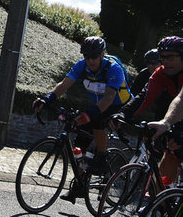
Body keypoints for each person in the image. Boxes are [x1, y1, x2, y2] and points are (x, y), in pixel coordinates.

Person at [33, 36, 131, 201]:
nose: (90, 60)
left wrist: (89, 114)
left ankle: (102, 156)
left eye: (94, 56)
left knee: (98, 122)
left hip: (117, 105)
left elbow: (108, 98)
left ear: (102, 55)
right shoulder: (82, 66)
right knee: (79, 145)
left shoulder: (113, 69)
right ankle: (79, 185)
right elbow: (64, 84)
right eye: (87, 56)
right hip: (98, 105)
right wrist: (47, 98)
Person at [137, 37, 183, 183]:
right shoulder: (161, 72)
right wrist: (166, 123)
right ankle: (160, 203)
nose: (165, 61)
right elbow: (180, 100)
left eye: (171, 57)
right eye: (163, 57)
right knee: (171, 154)